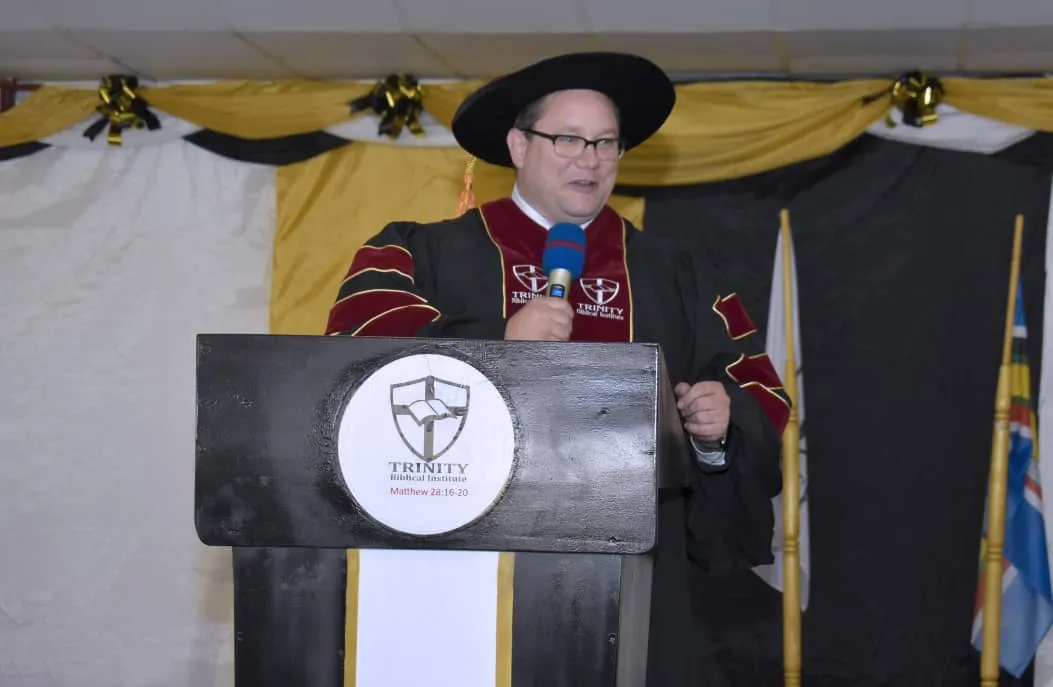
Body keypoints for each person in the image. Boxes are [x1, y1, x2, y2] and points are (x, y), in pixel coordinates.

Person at [324, 52, 789, 686]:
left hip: (639, 569)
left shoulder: (675, 273)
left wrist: (718, 431)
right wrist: (494, 343)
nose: (589, 159)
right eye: (568, 138)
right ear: (519, 146)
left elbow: (756, 388)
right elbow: (354, 369)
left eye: (605, 142)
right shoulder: (421, 254)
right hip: (459, 559)